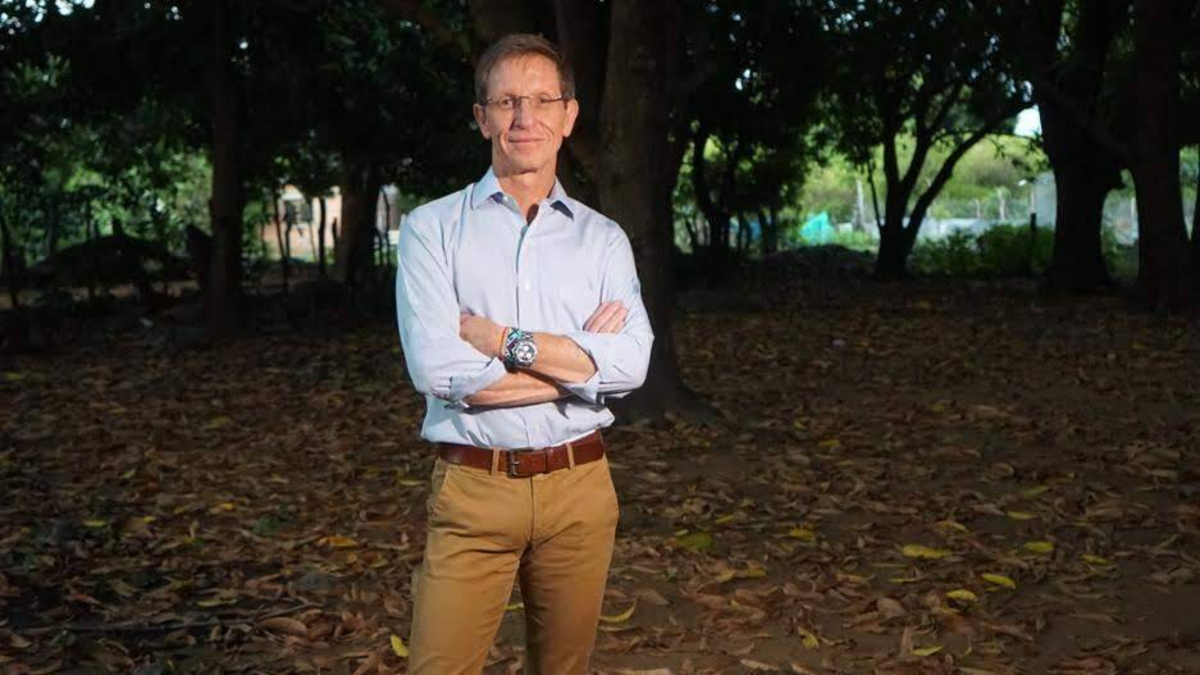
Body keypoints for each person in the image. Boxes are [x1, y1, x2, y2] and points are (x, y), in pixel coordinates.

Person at [394, 33, 654, 674]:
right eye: (506, 101)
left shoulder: (604, 240)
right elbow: (439, 371)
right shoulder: (431, 230)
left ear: (569, 115)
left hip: (581, 489)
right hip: (473, 490)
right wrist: (582, 372)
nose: (524, 118)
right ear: (481, 117)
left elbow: (633, 365)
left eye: (542, 100)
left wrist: (502, 342)